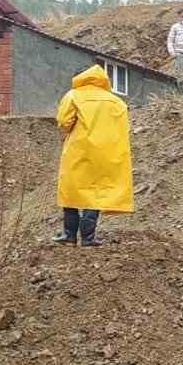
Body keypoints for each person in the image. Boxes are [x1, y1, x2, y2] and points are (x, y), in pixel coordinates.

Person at [54, 64, 133, 247]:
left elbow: (64, 123)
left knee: (71, 191)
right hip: (107, 154)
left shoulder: (73, 96)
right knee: (96, 193)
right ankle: (88, 238)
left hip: (79, 150)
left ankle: (69, 235)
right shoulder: (117, 102)